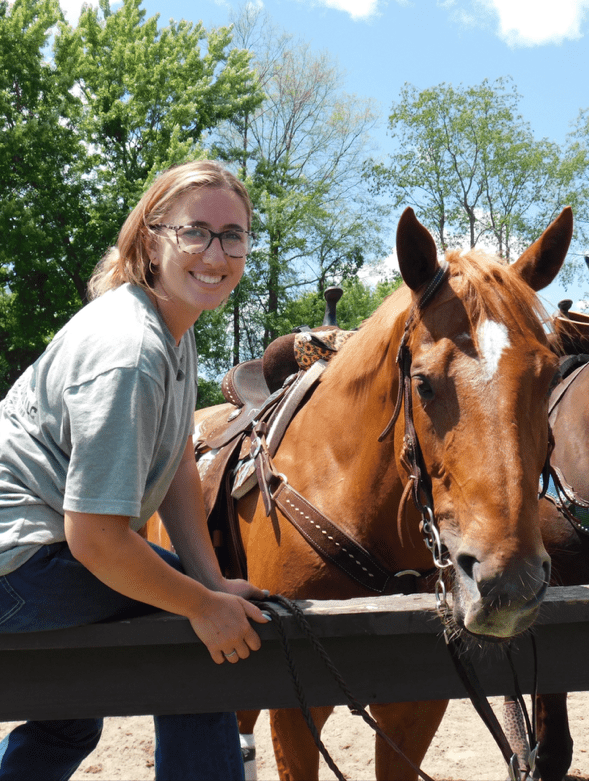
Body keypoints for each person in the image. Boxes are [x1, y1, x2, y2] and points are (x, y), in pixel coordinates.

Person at [0, 160, 268, 780]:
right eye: (195, 230)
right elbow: (95, 539)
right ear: (153, 240)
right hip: (16, 567)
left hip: (29, 557)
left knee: (70, 712)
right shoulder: (131, 352)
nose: (216, 252)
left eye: (234, 235)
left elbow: (173, 457)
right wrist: (200, 607)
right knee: (197, 655)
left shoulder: (171, 320)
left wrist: (211, 582)